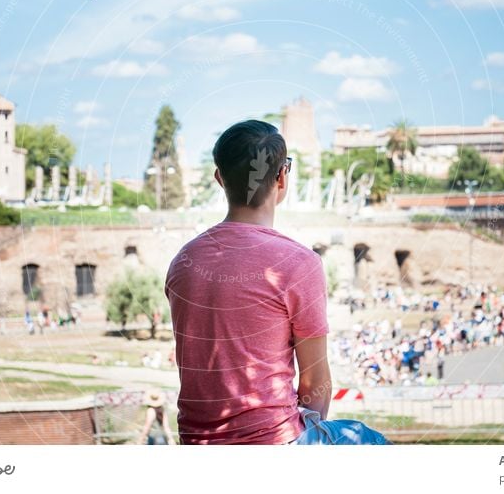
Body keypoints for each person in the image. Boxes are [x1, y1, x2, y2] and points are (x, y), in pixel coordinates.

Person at [165, 120, 384, 445]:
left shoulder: (183, 261)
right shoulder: (297, 264)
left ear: (219, 178)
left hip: (197, 441)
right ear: (282, 177)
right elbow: (314, 382)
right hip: (274, 441)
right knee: (371, 441)